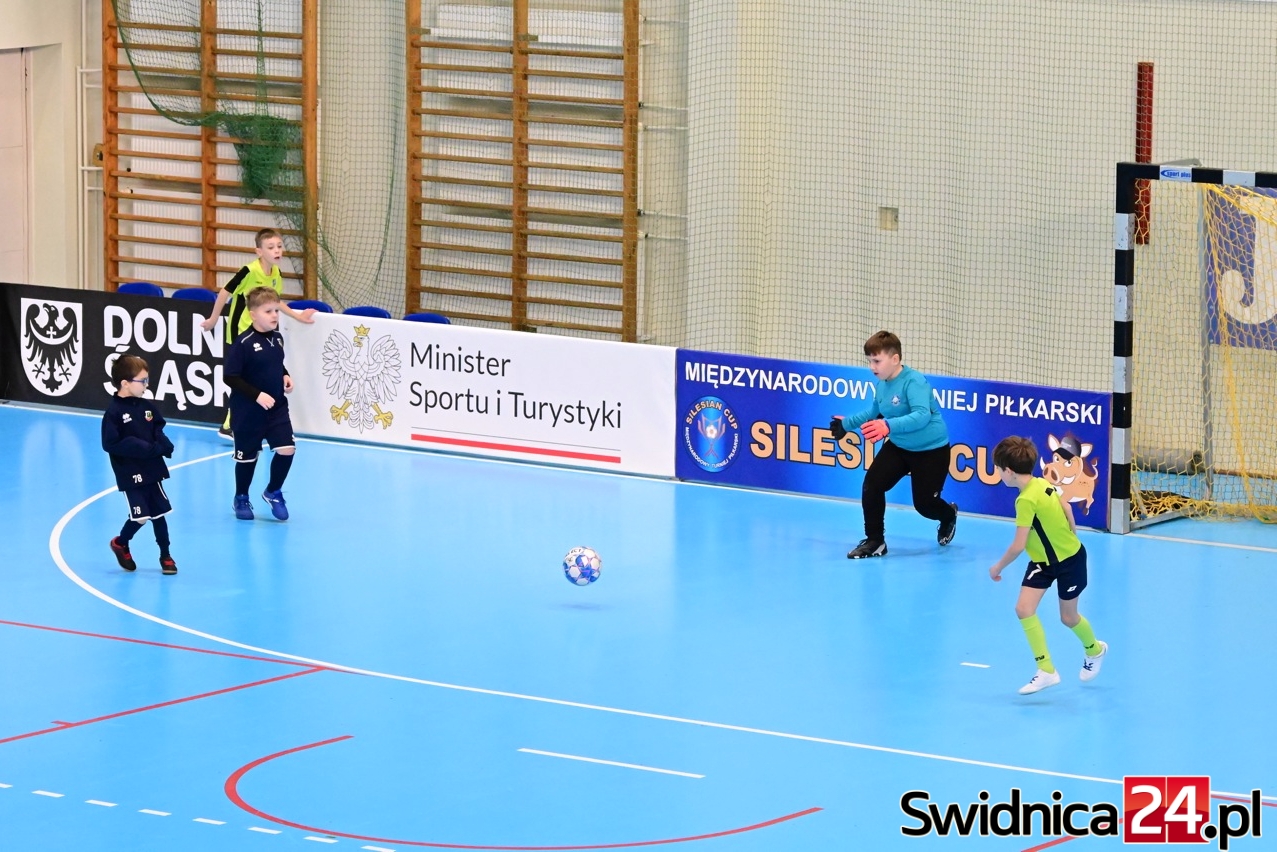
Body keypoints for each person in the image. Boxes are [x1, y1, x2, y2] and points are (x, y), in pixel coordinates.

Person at [989, 436, 1108, 695]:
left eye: (997, 469)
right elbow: (1067, 509)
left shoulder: (1025, 500)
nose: (997, 473)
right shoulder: (1042, 482)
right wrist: (1073, 533)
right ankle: (1046, 670)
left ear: (1008, 471)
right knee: (1023, 609)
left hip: (1069, 562)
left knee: (1068, 618)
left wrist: (998, 567)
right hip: (1043, 563)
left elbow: (1018, 545)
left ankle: (1095, 650)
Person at [831, 330, 958, 559]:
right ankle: (875, 541)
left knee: (925, 505)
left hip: (931, 450)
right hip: (900, 446)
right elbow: (874, 412)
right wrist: (846, 425)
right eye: (870, 361)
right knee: (872, 485)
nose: (872, 367)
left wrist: (887, 426)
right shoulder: (882, 384)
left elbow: (922, 416)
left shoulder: (914, 382)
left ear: (895, 359)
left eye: (877, 361)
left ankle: (948, 515)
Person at [201, 228, 316, 439]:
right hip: (240, 331)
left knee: (258, 377)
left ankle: (234, 424)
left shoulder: (276, 274)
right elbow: (225, 292)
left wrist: (298, 316)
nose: (277, 251)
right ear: (259, 251)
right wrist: (213, 319)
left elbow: (275, 302)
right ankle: (230, 425)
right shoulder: (249, 271)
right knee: (243, 378)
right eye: (271, 247)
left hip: (261, 331)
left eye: (279, 246)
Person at [223, 286, 297, 521]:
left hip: (276, 408)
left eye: (276, 310)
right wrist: (256, 395)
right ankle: (241, 497)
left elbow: (275, 363)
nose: (274, 315)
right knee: (248, 457)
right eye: (268, 311)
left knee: (287, 449)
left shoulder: (277, 338)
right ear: (253, 314)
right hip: (248, 411)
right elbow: (230, 377)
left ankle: (273, 491)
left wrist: (285, 375)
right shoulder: (243, 343)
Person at [102, 354, 178, 575]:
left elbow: (157, 428)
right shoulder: (114, 413)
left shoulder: (147, 406)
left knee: (159, 514)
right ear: (125, 383)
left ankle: (165, 555)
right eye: (142, 381)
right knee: (141, 517)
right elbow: (110, 443)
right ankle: (121, 543)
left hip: (152, 469)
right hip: (130, 473)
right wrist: (141, 447)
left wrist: (164, 444)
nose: (146, 385)